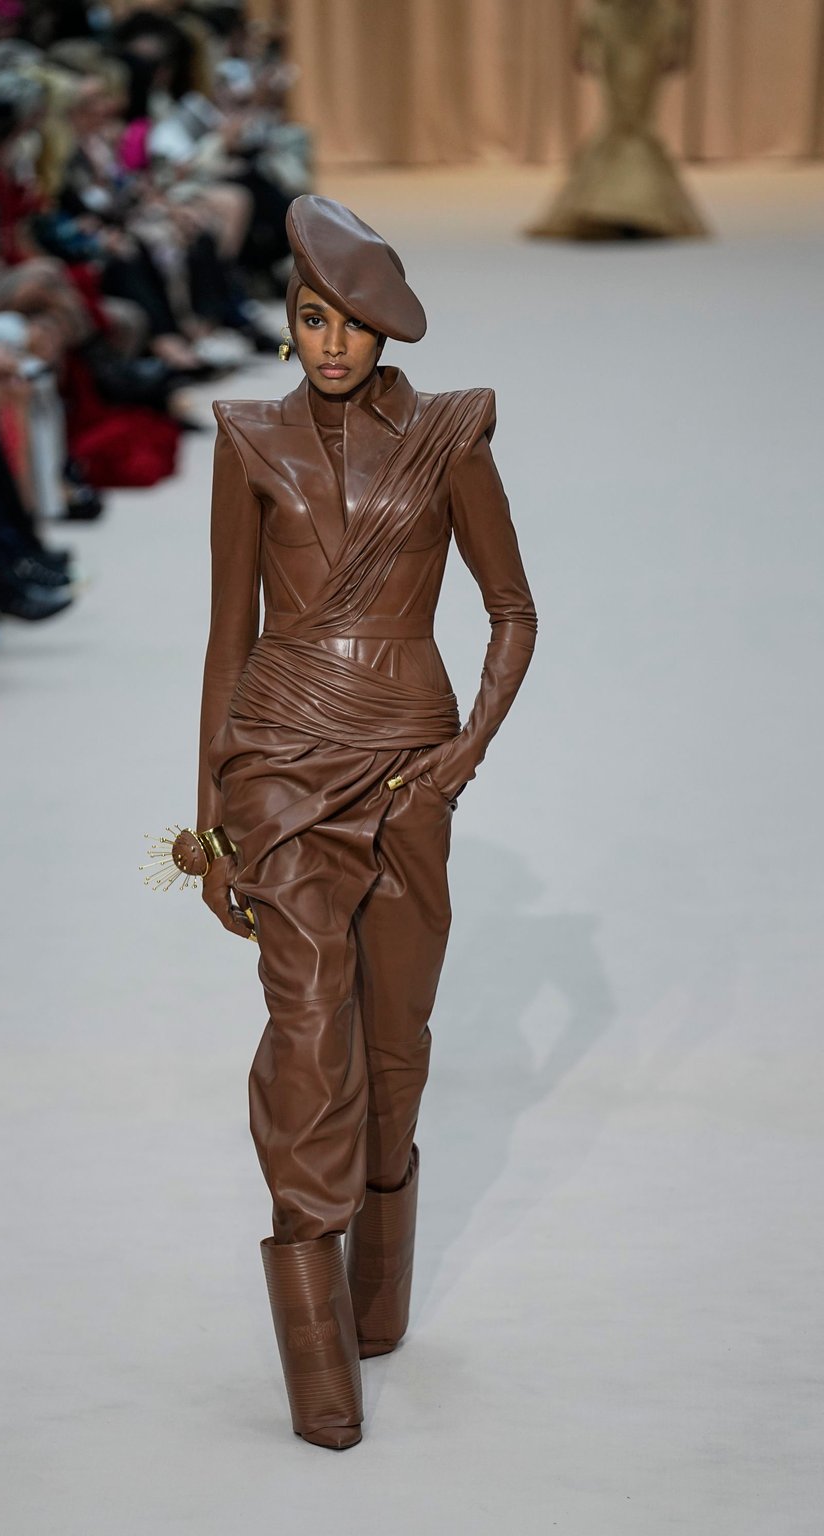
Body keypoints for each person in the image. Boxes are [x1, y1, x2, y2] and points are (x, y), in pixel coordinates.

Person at [161, 196, 537, 1450]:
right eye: (310, 319)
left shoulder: (449, 436)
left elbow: (511, 610)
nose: (329, 344)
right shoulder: (245, 437)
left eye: (352, 322)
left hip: (405, 766)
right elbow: (229, 633)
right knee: (308, 1021)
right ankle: (315, 1333)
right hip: (277, 759)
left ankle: (374, 1289)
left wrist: (463, 757)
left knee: (392, 1042)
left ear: (385, 328)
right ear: (288, 325)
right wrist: (212, 804)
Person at [528, 0, 709, 240]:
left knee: (633, 121)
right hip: (618, 18)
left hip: (647, 19)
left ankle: (622, 207)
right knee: (626, 120)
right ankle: (629, 208)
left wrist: (682, 38)